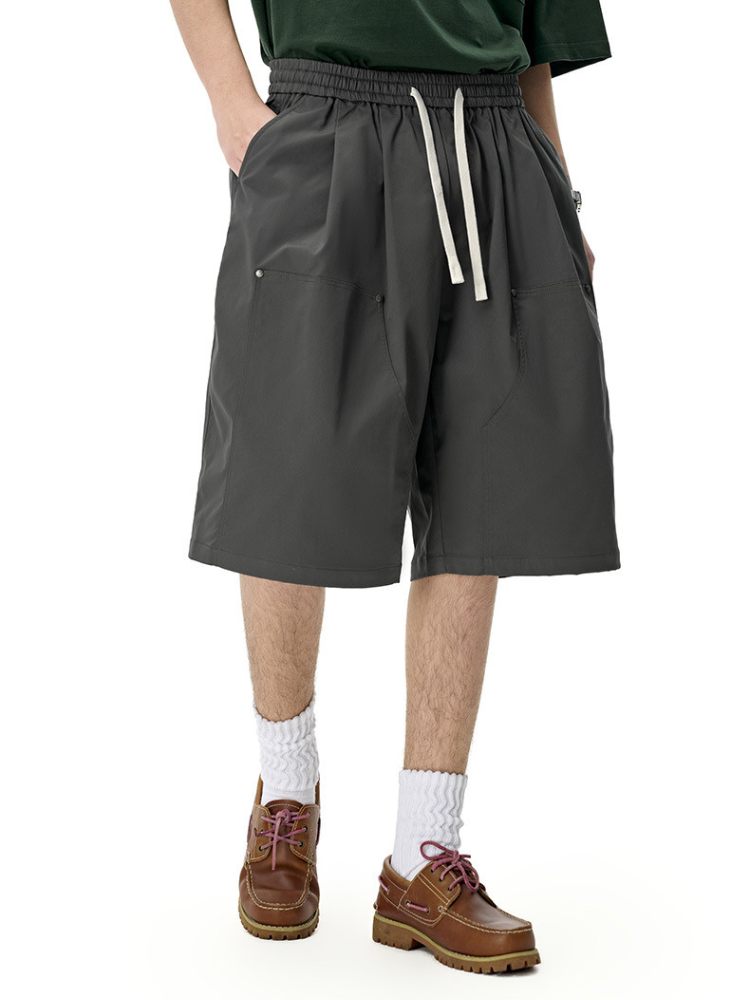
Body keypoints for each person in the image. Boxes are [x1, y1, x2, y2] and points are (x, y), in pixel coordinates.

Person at [170, 0, 619, 974]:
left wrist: (556, 187)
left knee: (480, 493)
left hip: (491, 138)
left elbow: (539, 25)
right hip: (323, 130)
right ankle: (287, 793)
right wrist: (234, 110)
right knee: (291, 477)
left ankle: (424, 854)